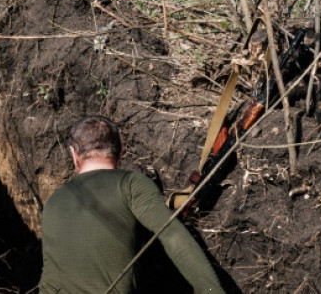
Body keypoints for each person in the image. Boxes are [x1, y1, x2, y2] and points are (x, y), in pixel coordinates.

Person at [39, 116, 225, 294]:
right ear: (122, 150)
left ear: (73, 154)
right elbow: (173, 234)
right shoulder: (130, 184)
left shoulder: (54, 200)